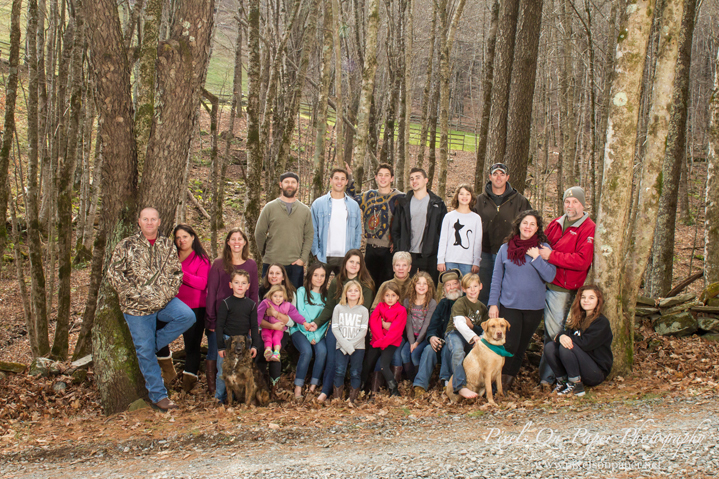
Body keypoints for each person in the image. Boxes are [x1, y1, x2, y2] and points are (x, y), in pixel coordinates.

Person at [107, 207, 195, 411]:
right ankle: (159, 396)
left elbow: (176, 274)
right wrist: (137, 294)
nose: (149, 222)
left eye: (152, 219)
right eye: (145, 219)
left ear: (159, 221)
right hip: (136, 307)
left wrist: (163, 295)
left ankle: (148, 348)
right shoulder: (127, 245)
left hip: (163, 302)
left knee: (187, 316)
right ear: (139, 221)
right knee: (145, 350)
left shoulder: (167, 245)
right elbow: (114, 275)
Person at [488, 210, 556, 391]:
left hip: (534, 308)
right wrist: (493, 303)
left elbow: (550, 276)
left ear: (537, 228)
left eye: (532, 224)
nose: (528, 227)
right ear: (519, 225)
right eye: (525, 223)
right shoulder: (505, 249)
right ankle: (495, 384)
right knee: (509, 344)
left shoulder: (544, 249)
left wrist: (537, 257)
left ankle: (506, 384)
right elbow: (496, 279)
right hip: (509, 305)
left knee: (521, 347)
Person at [538, 186, 596, 389]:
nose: (570, 206)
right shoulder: (556, 223)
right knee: (548, 331)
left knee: (555, 333)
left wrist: (551, 256)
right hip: (544, 283)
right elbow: (541, 244)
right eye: (567, 202)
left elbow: (582, 260)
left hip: (563, 287)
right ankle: (549, 376)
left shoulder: (588, 228)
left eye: (575, 202)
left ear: (582, 204)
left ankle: (553, 377)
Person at [305, 249, 375, 403]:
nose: (354, 265)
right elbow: (330, 307)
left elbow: (364, 310)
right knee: (332, 360)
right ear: (345, 263)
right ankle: (325, 392)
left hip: (356, 330)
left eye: (358, 262)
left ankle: (354, 395)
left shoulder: (366, 284)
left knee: (355, 367)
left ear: (362, 265)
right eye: (351, 262)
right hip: (337, 328)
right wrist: (317, 322)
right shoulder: (337, 282)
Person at [206, 228, 259, 395]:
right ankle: (215, 391)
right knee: (217, 354)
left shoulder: (251, 264)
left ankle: (237, 393)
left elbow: (254, 294)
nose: (236, 242)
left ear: (244, 242)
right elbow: (211, 292)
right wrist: (211, 319)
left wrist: (253, 322)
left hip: (242, 320)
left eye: (240, 239)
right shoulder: (219, 264)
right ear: (228, 242)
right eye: (233, 239)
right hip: (221, 319)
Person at [473, 163, 532, 306]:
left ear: (507, 177)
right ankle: (483, 323)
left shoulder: (520, 201)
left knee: (507, 289)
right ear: (490, 177)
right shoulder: (479, 201)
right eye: (495, 174)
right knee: (483, 289)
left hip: (510, 252)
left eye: (502, 174)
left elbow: (530, 225)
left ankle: (504, 322)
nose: (498, 177)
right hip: (485, 253)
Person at [544, 285, 613, 396]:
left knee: (567, 346)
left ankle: (576, 385)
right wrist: (561, 336)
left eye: (591, 298)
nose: (586, 300)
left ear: (598, 301)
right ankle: (563, 381)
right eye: (583, 297)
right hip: (579, 367)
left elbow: (585, 344)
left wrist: (566, 338)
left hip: (595, 372)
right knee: (550, 347)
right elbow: (567, 334)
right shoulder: (579, 319)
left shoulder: (601, 322)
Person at [345, 162, 403, 287]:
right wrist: (349, 178)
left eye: (386, 175)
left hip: (389, 250)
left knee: (386, 286)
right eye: (380, 175)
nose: (383, 178)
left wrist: (398, 242)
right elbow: (352, 199)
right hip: (371, 248)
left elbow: (407, 223)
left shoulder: (399, 198)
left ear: (392, 178)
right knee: (369, 285)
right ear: (376, 177)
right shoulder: (368, 196)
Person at [255, 171, 314, 289]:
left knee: (293, 299)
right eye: (287, 182)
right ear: (280, 184)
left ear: (297, 185)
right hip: (272, 264)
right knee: (269, 299)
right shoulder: (270, 207)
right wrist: (266, 254)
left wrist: (302, 259)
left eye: (293, 182)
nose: (290, 185)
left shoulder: (305, 210)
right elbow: (259, 233)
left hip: (295, 264)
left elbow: (309, 236)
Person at [171, 224, 212, 393]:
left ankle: (188, 384)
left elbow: (202, 283)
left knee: (191, 346)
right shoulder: (172, 256)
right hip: (172, 306)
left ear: (193, 237)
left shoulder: (201, 259)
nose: (181, 241)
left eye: (185, 237)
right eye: (178, 238)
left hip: (195, 308)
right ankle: (168, 373)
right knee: (158, 335)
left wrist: (181, 273)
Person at [391, 167, 447, 285]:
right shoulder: (403, 203)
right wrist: (399, 247)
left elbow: (443, 231)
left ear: (426, 180)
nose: (414, 181)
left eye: (418, 177)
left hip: (429, 254)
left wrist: (439, 252)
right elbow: (396, 229)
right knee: (404, 288)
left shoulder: (437, 203)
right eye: (411, 178)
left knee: (428, 288)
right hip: (407, 253)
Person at [412, 269, 463, 397]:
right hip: (441, 341)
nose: (452, 287)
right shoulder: (443, 304)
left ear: (460, 285)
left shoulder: (465, 303)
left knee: (448, 347)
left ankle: (447, 383)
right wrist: (432, 337)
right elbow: (433, 326)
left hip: (460, 343)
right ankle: (420, 385)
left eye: (455, 283)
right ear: (444, 289)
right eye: (448, 285)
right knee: (429, 349)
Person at [215, 270, 262, 403]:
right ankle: (219, 398)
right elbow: (219, 325)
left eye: (243, 283)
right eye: (236, 282)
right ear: (231, 285)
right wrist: (220, 346)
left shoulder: (251, 305)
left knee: (241, 372)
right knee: (222, 373)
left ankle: (237, 398)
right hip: (227, 340)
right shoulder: (226, 303)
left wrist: (254, 345)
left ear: (248, 286)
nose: (240, 286)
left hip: (244, 342)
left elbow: (254, 327)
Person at [311, 168, 362, 275]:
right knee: (320, 288)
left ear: (347, 182)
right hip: (324, 256)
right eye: (336, 178)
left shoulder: (353, 205)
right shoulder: (318, 204)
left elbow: (358, 231)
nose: (339, 182)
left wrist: (354, 252)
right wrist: (316, 251)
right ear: (331, 180)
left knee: (345, 289)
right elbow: (312, 230)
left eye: (343, 179)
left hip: (346, 256)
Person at [445, 273, 489, 399]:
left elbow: (484, 328)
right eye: (469, 287)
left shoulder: (482, 308)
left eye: (475, 286)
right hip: (454, 333)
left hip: (473, 336)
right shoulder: (460, 303)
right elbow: (459, 324)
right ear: (463, 289)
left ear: (480, 286)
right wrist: (474, 338)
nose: (472, 290)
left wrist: (480, 338)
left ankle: (485, 387)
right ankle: (459, 386)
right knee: (458, 351)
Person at [290, 263, 330, 400]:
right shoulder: (301, 291)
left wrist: (316, 335)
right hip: (300, 330)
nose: (319, 278)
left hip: (318, 333)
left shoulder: (326, 296)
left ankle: (313, 386)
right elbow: (300, 313)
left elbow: (324, 319)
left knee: (322, 352)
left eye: (322, 276)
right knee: (306, 351)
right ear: (310, 276)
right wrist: (309, 334)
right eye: (316, 275)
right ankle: (298, 387)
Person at [255, 263, 298, 389]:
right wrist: (271, 326)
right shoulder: (261, 291)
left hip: (282, 330)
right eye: (271, 273)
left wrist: (274, 313)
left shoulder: (290, 294)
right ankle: (258, 386)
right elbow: (258, 318)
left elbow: (291, 321)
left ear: (283, 277)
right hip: (264, 328)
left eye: (277, 273)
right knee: (261, 349)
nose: (274, 276)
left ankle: (274, 386)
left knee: (276, 350)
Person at [360, 282, 407, 397]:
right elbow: (373, 323)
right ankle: (361, 388)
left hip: (391, 343)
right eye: (387, 295)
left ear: (398, 297)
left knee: (383, 365)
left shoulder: (401, 310)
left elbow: (396, 330)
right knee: (367, 363)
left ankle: (394, 390)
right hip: (377, 340)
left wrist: (383, 341)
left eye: (393, 295)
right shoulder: (380, 307)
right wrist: (380, 339)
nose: (390, 298)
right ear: (383, 297)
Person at [332, 280, 370, 406]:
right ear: (345, 293)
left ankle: (352, 400)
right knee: (339, 371)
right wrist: (345, 345)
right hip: (341, 347)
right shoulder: (338, 308)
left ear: (360, 294)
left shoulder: (363, 310)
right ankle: (337, 398)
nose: (353, 293)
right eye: (350, 290)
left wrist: (350, 345)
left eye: (356, 290)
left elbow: (363, 331)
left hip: (358, 348)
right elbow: (335, 328)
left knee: (355, 372)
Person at [437, 184, 483, 277]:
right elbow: (443, 240)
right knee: (451, 288)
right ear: (457, 196)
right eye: (461, 194)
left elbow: (478, 242)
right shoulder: (449, 217)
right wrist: (441, 260)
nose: (464, 197)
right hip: (450, 260)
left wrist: (476, 261)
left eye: (467, 194)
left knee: (468, 289)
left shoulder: (476, 218)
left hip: (468, 262)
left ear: (472, 197)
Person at [400, 272, 437, 381]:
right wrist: (412, 342)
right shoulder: (408, 301)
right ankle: (411, 379)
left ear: (429, 287)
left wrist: (417, 342)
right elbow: (408, 323)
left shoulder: (432, 303)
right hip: (412, 337)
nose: (421, 286)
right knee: (404, 354)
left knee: (415, 354)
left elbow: (427, 324)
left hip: (424, 338)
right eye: (418, 283)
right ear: (413, 286)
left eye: (424, 284)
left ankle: (418, 379)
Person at [257, 285, 307, 362]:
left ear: (284, 297)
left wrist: (304, 322)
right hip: (267, 327)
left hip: (280, 328)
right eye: (275, 296)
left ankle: (276, 353)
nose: (278, 298)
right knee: (267, 337)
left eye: (280, 296)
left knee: (277, 338)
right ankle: (268, 351)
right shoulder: (266, 303)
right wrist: (256, 326)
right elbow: (259, 315)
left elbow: (295, 315)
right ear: (270, 296)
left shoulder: (287, 305)